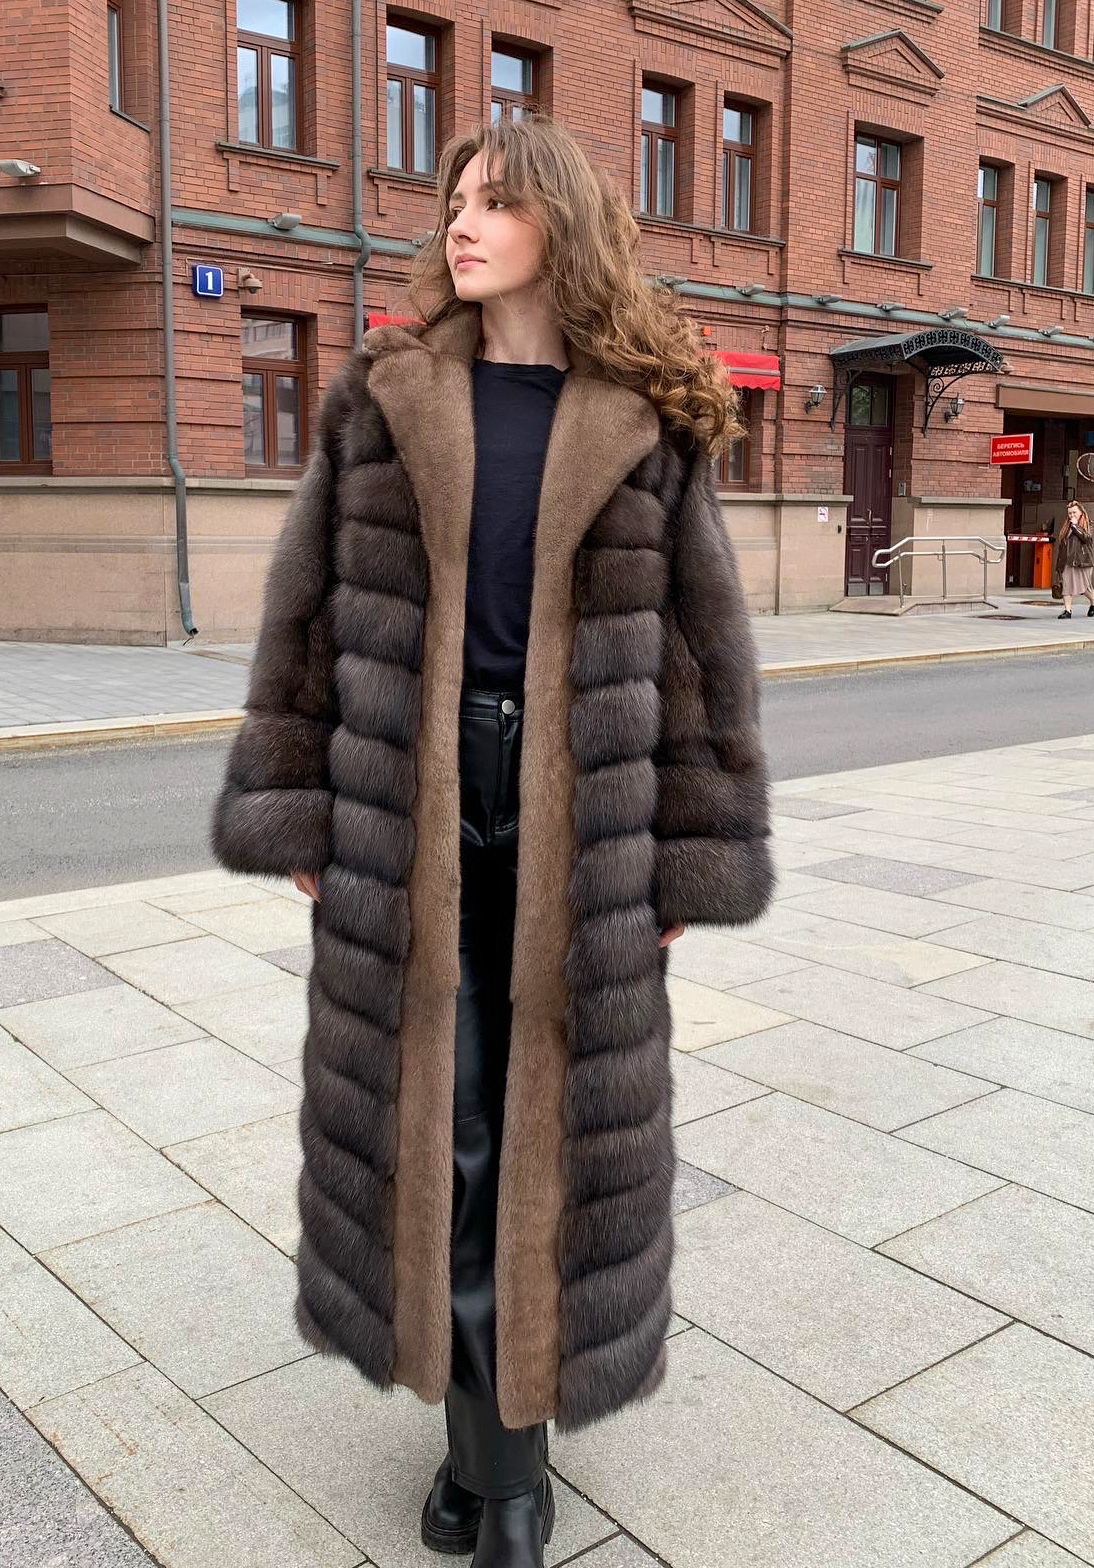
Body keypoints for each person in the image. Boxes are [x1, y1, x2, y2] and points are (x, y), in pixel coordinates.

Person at [210, 115, 773, 1568]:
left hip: (583, 807)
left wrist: (690, 848)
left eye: (495, 203)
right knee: (443, 1128)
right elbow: (306, 616)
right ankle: (502, 1471)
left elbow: (704, 651)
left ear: (558, 227)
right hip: (411, 794)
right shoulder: (386, 396)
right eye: (455, 201)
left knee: (545, 1131)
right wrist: (297, 795)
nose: (461, 224)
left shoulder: (643, 415)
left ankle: (491, 1462)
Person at [1054, 500, 1094, 619]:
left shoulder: (1088, 525)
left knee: (1084, 587)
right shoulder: (1067, 527)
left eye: (1074, 512)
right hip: (1067, 561)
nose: (1072, 515)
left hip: (1083, 561)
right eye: (1070, 513)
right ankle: (1067, 610)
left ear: (1081, 512)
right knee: (1066, 585)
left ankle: (1093, 603)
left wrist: (1076, 526)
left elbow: (1086, 539)